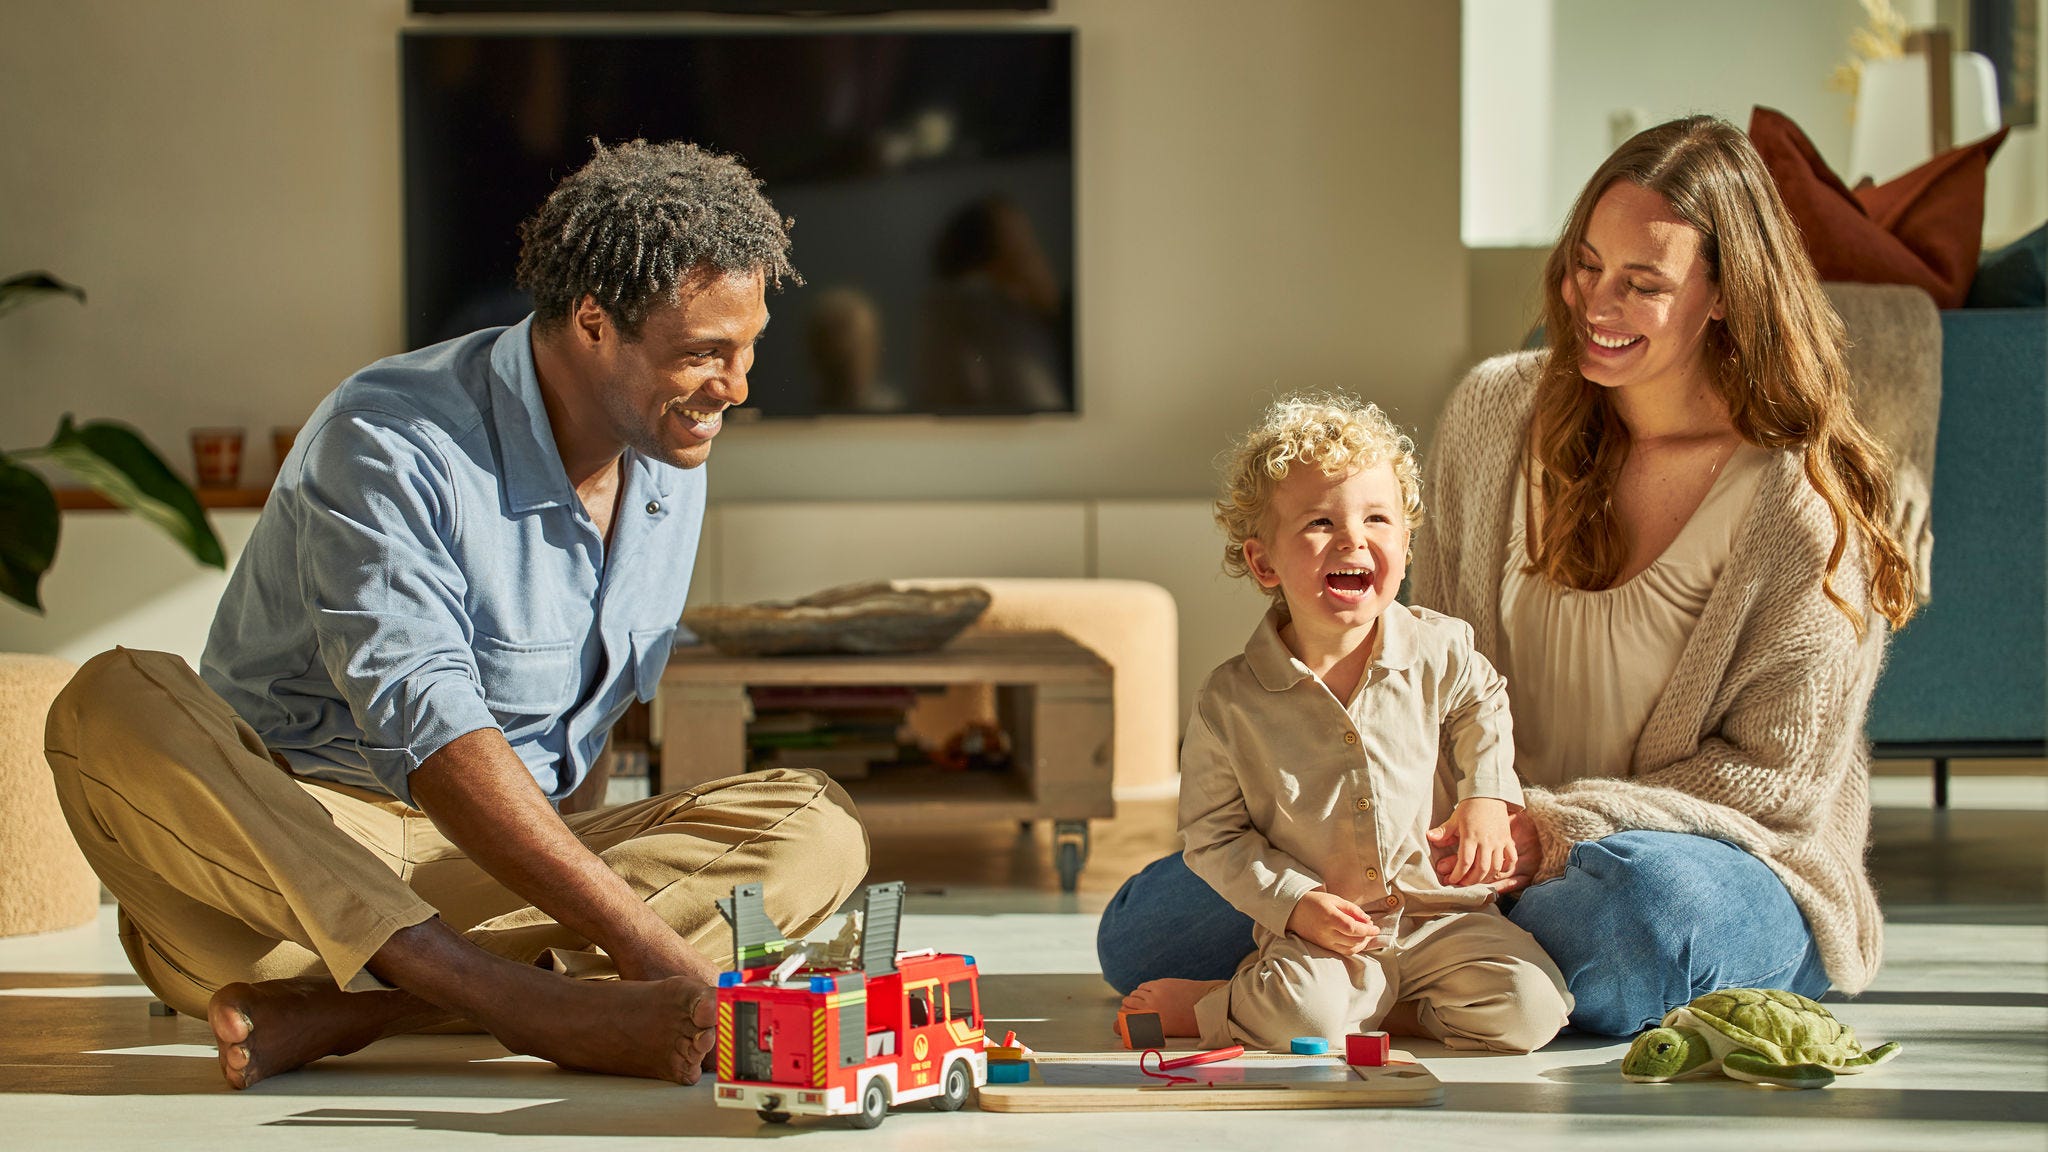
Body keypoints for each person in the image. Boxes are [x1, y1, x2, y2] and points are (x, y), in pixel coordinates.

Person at [43, 139, 869, 1088]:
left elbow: (584, 732)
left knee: (817, 826)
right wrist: (666, 963)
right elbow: (429, 728)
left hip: (480, 886)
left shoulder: (668, 456)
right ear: (593, 320)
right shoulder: (391, 435)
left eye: (748, 347)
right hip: (282, 881)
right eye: (704, 353)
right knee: (110, 699)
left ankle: (370, 1011)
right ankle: (525, 999)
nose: (737, 385)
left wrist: (614, 916)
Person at [1096, 115, 1918, 1037]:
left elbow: (1771, 785)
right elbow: (1418, 667)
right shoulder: (1496, 410)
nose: (1594, 304)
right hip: (1452, 850)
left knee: (1624, 927)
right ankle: (1443, 975)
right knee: (1146, 932)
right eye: (1585, 265)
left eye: (1642, 283)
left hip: (1688, 858)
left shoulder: (1801, 501)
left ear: (1725, 295)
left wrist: (1544, 829)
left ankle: (1352, 984)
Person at [1118, 395, 1570, 1053]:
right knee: (1302, 1021)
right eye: (1320, 522)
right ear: (1264, 563)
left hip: (1441, 919)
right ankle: (1216, 1006)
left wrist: (1485, 799)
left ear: (1406, 547)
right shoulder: (1230, 701)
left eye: (1378, 519)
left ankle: (1393, 1013)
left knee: (1532, 1010)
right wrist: (1296, 904)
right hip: (1322, 936)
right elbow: (1213, 836)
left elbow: (1482, 704)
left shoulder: (1439, 649)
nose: (1354, 539)